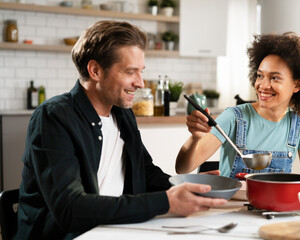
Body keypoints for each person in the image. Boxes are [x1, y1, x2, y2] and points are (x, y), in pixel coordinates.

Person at [15, 20, 227, 240]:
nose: (141, 83)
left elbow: (145, 172)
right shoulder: (54, 117)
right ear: (95, 70)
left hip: (115, 231)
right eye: (130, 72)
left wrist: (188, 187)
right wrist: (166, 201)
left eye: (141, 71)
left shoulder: (122, 114)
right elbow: (69, 209)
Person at [176, 32, 300, 182]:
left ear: (297, 85)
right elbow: (183, 169)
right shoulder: (234, 117)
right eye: (260, 76)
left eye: (274, 78)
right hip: (230, 205)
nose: (263, 85)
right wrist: (195, 138)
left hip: (274, 205)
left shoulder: (299, 123)